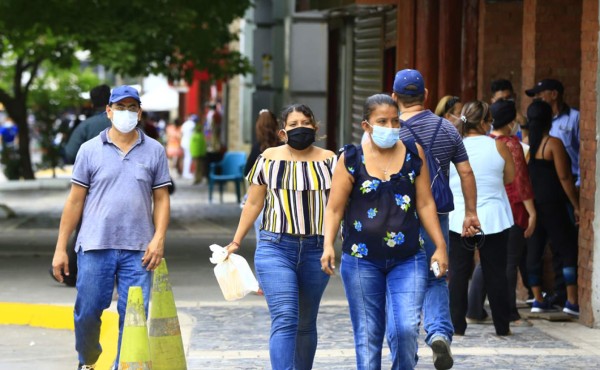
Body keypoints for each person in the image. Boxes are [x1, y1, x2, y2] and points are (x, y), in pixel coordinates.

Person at [320, 94, 448, 369]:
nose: (390, 127)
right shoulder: (351, 158)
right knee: (368, 337)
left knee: (405, 329)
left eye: (394, 121)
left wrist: (440, 245)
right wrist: (328, 244)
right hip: (360, 262)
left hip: (409, 259)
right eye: (382, 121)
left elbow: (425, 203)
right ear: (366, 125)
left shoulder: (414, 153)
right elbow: (334, 208)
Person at [51, 85, 172, 370]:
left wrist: (159, 239)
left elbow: (162, 199)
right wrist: (60, 249)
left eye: (132, 108)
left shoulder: (154, 151)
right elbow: (74, 202)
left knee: (134, 318)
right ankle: (88, 360)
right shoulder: (89, 150)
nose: (126, 113)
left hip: (139, 250)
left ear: (139, 112)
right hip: (94, 246)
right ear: (108, 111)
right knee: (88, 312)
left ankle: (122, 366)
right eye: (120, 107)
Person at [225, 104, 336, 370]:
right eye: (294, 124)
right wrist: (236, 241)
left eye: (305, 123)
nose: (301, 128)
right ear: (283, 132)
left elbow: (337, 206)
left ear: (315, 128)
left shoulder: (331, 160)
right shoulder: (268, 158)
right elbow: (253, 204)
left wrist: (332, 243)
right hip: (275, 248)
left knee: (306, 323)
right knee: (286, 317)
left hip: (316, 249)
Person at [393, 69, 481, 370]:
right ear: (426, 94)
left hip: (399, 217)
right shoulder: (447, 129)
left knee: (400, 276)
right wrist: (471, 212)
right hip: (438, 215)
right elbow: (466, 172)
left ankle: (404, 344)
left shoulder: (392, 131)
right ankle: (440, 332)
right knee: (436, 273)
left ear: (394, 97)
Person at [466, 99, 536, 327]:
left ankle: (475, 309)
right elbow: (520, 181)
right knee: (508, 262)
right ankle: (509, 314)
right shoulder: (509, 144)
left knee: (487, 260)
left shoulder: (482, 142)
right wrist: (531, 211)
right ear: (511, 120)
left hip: (484, 204)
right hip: (510, 208)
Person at [448, 100, 514, 337]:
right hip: (493, 217)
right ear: (486, 123)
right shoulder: (498, 146)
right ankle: (502, 325)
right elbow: (509, 177)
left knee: (457, 272)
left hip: (458, 217)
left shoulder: (453, 146)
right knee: (496, 272)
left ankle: (456, 325)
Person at [50, 84, 112, 287]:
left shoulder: (85, 126)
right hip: (124, 188)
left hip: (90, 187)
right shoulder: (127, 125)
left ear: (92, 102)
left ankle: (72, 270)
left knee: (84, 230)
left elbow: (69, 153)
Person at [525, 100, 580, 316]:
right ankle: (572, 301)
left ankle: (538, 299)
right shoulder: (552, 143)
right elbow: (565, 177)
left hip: (534, 206)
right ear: (549, 120)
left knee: (534, 250)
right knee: (566, 249)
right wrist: (576, 204)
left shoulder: (527, 144)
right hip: (554, 205)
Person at [525, 78, 579, 186]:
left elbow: (584, 153)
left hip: (571, 179)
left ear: (554, 94)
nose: (536, 98)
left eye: (540, 94)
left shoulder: (575, 117)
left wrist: (579, 183)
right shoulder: (535, 118)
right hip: (545, 181)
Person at [243, 109, 281, 239]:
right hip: (281, 196)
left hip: (260, 196)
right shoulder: (284, 146)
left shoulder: (258, 148)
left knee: (261, 236)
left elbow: (247, 171)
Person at [63, 85, 112, 164]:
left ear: (92, 104)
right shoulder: (125, 122)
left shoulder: (84, 126)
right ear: (111, 101)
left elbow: (70, 154)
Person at [491, 79, 529, 144]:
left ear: (515, 97)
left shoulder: (526, 121)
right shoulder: (488, 124)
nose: (505, 103)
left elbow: (527, 151)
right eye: (500, 100)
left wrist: (524, 125)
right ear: (493, 101)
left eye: (508, 98)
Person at [180, 114, 197, 179]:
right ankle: (186, 173)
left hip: (184, 142)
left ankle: (185, 172)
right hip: (188, 143)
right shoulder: (192, 124)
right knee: (188, 158)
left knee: (186, 158)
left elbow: (181, 133)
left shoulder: (185, 124)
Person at [190, 119, 207, 185]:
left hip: (198, 153)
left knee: (198, 167)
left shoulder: (195, 136)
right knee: (198, 167)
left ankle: (198, 178)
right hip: (198, 153)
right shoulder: (200, 136)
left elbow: (192, 145)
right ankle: (197, 178)